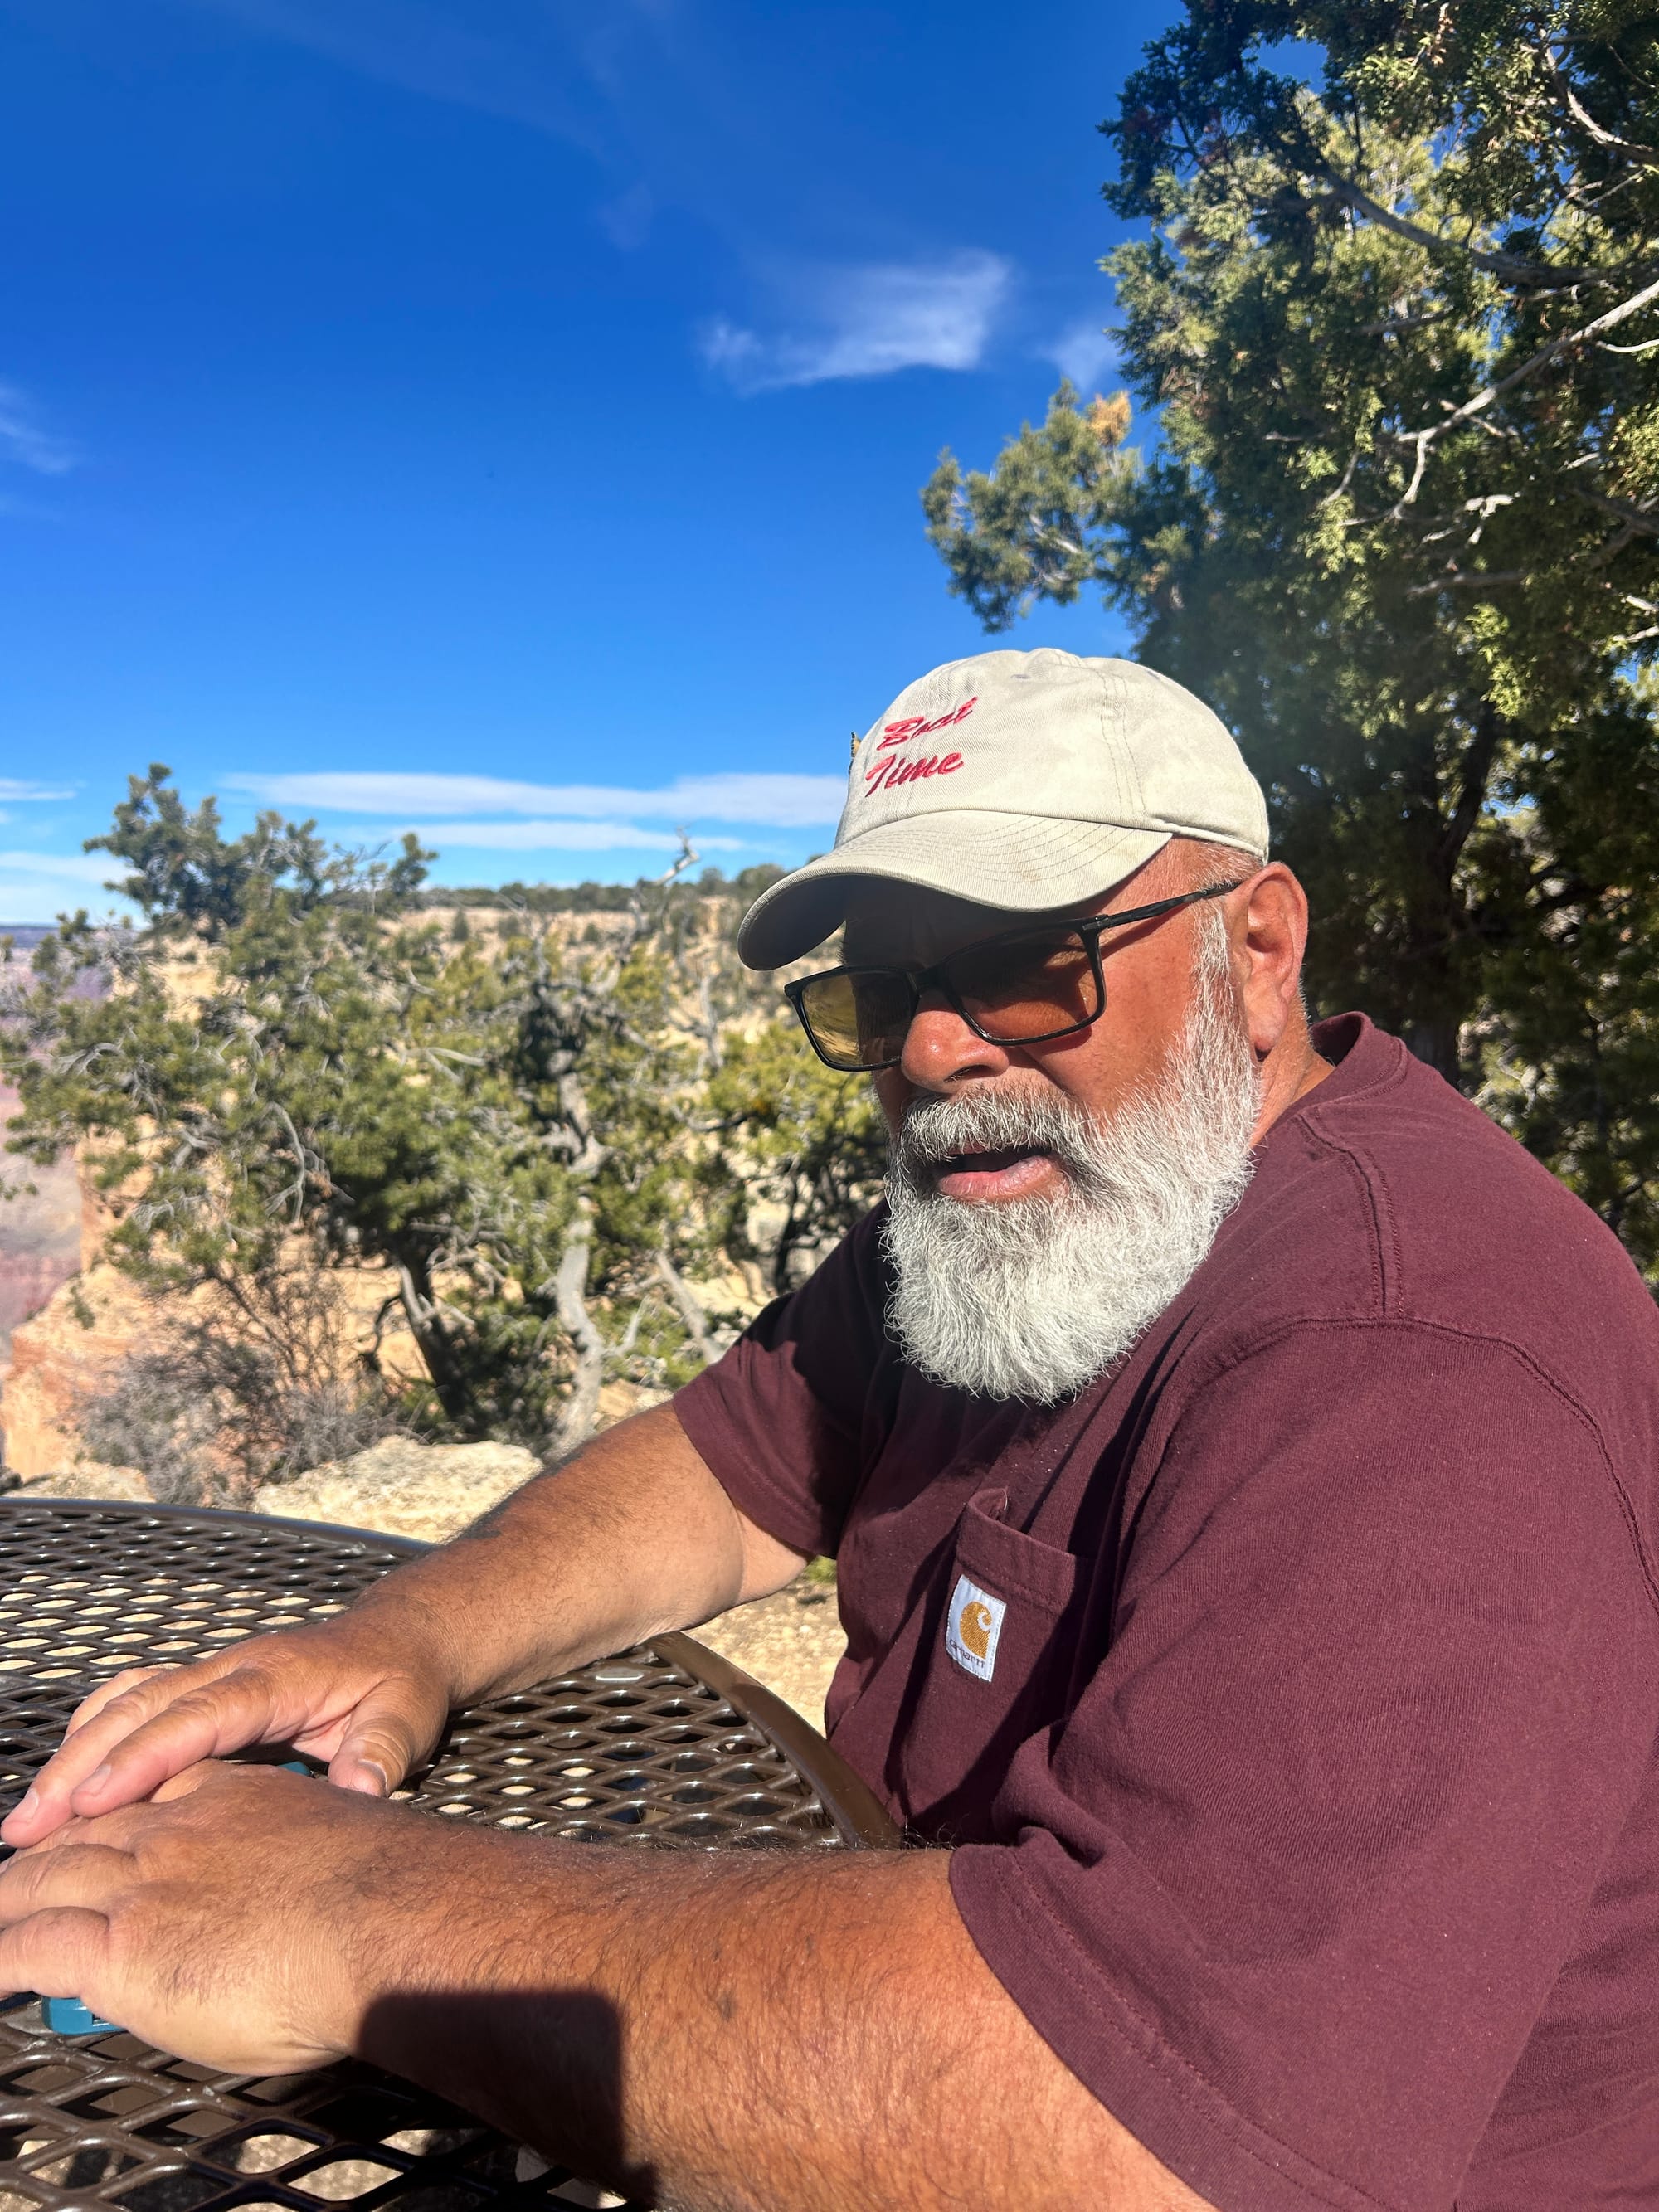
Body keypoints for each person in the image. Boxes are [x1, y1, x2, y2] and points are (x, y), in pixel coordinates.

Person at [2, 646, 1657, 2212]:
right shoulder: (1045, 1203)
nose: (934, 1048)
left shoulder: (1415, 1358)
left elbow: (1134, 2132)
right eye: (888, 985)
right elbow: (733, 1461)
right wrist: (406, 1636)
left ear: (1259, 949)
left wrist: (350, 1913)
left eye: (1028, 958)